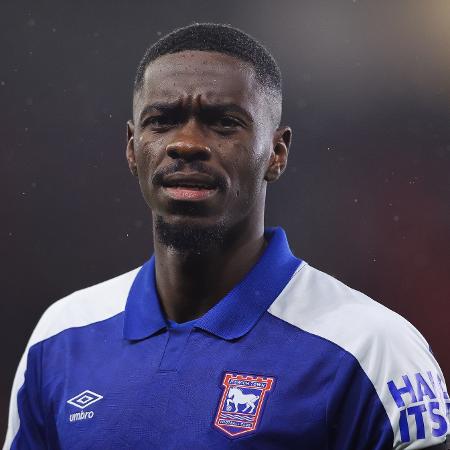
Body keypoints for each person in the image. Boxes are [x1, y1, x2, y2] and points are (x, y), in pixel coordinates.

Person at [3, 23, 449, 450]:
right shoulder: (61, 337)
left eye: (223, 123)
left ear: (277, 153)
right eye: (162, 120)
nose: (188, 144)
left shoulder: (371, 349)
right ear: (131, 147)